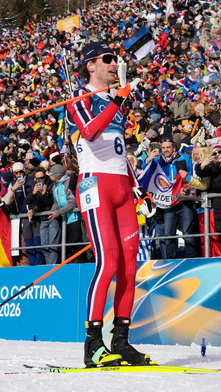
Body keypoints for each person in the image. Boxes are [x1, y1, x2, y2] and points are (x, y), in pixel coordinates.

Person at [66, 42, 149, 368]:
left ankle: (122, 340)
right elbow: (89, 131)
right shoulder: (80, 98)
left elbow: (118, 152)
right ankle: (93, 344)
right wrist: (117, 99)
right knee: (109, 260)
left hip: (121, 188)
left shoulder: (115, 103)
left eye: (116, 59)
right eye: (108, 59)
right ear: (91, 65)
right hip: (94, 184)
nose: (115, 64)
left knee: (131, 264)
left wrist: (137, 188)